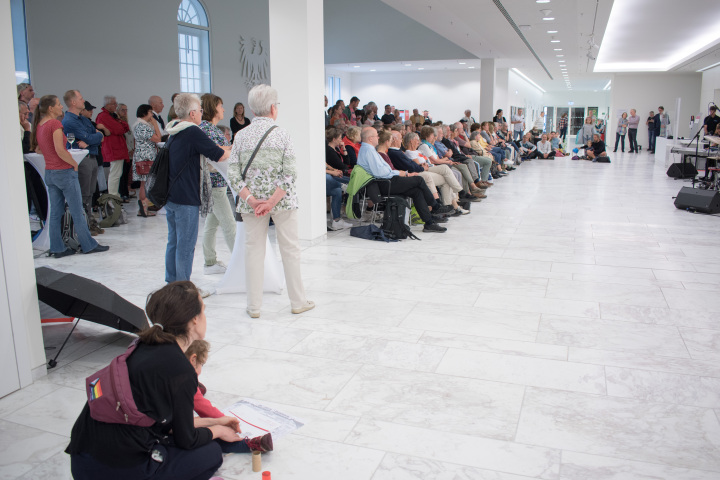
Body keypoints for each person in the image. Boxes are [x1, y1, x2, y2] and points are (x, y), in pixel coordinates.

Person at [66, 281, 241, 479]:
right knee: (210, 453)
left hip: (82, 462)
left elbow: (171, 424)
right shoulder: (180, 370)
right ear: (194, 320)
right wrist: (218, 430)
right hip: (116, 471)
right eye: (203, 311)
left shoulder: (142, 344)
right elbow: (187, 439)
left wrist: (216, 421)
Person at [228, 84, 315, 318]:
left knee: (253, 251)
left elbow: (233, 173)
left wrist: (253, 200)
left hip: (251, 204)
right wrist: (272, 201)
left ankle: (254, 306)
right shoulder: (282, 134)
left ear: (253, 110)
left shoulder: (240, 135)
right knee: (290, 250)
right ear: (273, 108)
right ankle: (298, 301)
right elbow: (290, 174)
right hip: (283, 202)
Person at [30, 95, 109, 257]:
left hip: (50, 173)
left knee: (55, 212)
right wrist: (73, 163)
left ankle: (57, 248)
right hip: (63, 172)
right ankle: (88, 245)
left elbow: (39, 150)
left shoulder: (41, 125)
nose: (61, 107)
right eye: (59, 105)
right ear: (51, 108)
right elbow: (60, 150)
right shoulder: (54, 124)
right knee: (77, 210)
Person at [164, 93, 230, 286]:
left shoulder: (174, 129)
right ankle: (184, 290)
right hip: (186, 197)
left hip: (171, 194)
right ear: (193, 113)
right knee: (185, 245)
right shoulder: (192, 131)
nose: (202, 114)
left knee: (174, 242)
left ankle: (172, 283)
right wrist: (234, 149)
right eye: (200, 111)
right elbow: (218, 155)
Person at [184, 340, 274, 454]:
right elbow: (203, 409)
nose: (200, 371)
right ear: (193, 360)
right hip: (168, 435)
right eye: (201, 364)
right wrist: (222, 423)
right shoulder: (185, 383)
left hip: (171, 425)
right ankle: (245, 445)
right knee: (208, 440)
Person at [358, 126, 446, 233]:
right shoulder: (369, 151)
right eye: (376, 136)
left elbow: (385, 169)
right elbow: (381, 173)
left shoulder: (369, 150)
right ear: (370, 139)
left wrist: (399, 173)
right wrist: (401, 173)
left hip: (385, 181)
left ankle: (429, 223)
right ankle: (436, 206)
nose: (378, 137)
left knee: (416, 191)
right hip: (384, 183)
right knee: (419, 180)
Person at [199, 94, 237, 275]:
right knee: (229, 224)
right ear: (214, 107)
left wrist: (227, 149)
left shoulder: (210, 128)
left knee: (211, 224)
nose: (223, 109)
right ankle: (241, 263)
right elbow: (213, 154)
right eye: (221, 106)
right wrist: (230, 149)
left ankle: (210, 262)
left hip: (218, 181)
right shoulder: (207, 129)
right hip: (214, 183)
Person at [62, 90, 105, 234]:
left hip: (92, 157)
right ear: (73, 102)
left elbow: (99, 136)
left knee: (91, 193)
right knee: (84, 194)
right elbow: (88, 137)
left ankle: (89, 222)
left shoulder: (84, 119)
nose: (83, 101)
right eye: (80, 99)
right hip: (82, 160)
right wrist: (94, 138)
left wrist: (93, 139)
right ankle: (83, 226)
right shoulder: (69, 121)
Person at [96, 96, 130, 197]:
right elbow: (119, 129)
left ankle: (114, 195)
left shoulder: (112, 116)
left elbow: (125, 127)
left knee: (117, 173)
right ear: (107, 105)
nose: (116, 106)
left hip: (117, 148)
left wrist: (119, 121)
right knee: (115, 174)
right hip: (113, 149)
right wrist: (119, 122)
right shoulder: (103, 116)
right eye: (114, 104)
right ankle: (113, 196)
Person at [132, 104, 162, 217]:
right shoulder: (142, 126)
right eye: (150, 112)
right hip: (145, 158)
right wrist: (155, 124)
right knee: (144, 183)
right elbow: (158, 138)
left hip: (145, 156)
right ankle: (143, 208)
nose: (152, 115)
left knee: (145, 183)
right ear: (145, 113)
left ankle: (143, 208)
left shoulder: (141, 125)